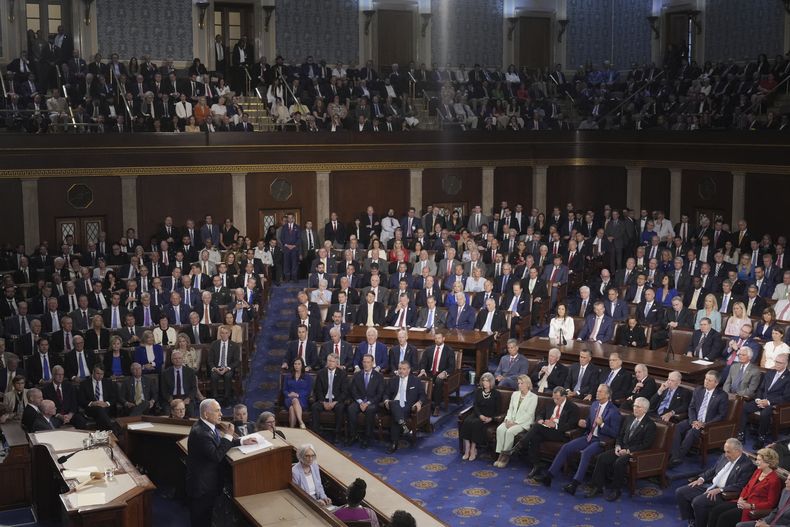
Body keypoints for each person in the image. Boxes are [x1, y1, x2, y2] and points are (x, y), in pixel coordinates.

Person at [537, 384, 622, 495]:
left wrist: (602, 425)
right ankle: (549, 476)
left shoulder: (614, 411)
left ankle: (575, 484)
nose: (597, 393)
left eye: (600, 391)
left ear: (607, 395)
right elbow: (590, 422)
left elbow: (614, 433)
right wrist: (584, 423)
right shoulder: (595, 404)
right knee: (566, 447)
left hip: (601, 441)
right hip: (588, 436)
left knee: (586, 453)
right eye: (597, 390)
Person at [186, 399, 255, 527]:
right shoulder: (201, 433)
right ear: (206, 414)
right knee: (201, 519)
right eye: (217, 411)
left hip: (208, 483)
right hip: (202, 486)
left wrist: (240, 442)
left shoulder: (206, 426)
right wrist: (229, 435)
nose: (221, 414)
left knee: (207, 517)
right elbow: (216, 455)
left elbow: (218, 445)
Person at [586, 397, 656, 501]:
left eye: (638, 407)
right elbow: (620, 435)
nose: (635, 408)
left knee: (619, 462)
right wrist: (617, 446)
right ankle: (598, 486)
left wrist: (628, 451)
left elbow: (646, 445)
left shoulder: (650, 425)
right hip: (621, 448)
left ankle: (616, 490)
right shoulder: (629, 418)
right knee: (601, 458)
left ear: (645, 409)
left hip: (634, 453)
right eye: (634, 406)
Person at [676, 438, 754, 527]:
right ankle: (692, 521)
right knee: (681, 492)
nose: (725, 454)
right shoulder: (724, 457)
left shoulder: (747, 465)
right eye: (725, 451)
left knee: (698, 502)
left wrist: (720, 490)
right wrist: (701, 479)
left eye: (728, 452)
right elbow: (713, 470)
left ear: (737, 451)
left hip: (724, 493)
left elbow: (740, 485)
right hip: (710, 485)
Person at [706, 448, 781, 527]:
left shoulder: (774, 481)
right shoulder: (758, 471)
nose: (756, 462)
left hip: (752, 509)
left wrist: (751, 506)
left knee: (724, 518)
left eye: (759, 460)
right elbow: (747, 486)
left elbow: (771, 503)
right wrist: (741, 498)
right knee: (716, 510)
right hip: (743, 502)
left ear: (768, 463)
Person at [670, 370, 729, 466]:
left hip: (708, 424)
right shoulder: (698, 390)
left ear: (716, 383)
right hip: (694, 420)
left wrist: (704, 424)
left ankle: (677, 457)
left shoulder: (722, 396)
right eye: (706, 379)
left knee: (691, 432)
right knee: (676, 427)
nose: (706, 382)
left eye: (710, 380)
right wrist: (693, 421)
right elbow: (691, 407)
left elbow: (721, 415)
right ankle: (675, 456)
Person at [522, 386, 580, 480]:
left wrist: (555, 425)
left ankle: (521, 444)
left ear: (564, 396)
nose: (555, 400)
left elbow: (571, 425)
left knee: (536, 428)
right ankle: (537, 465)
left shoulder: (572, 407)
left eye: (557, 398)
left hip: (560, 433)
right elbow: (541, 414)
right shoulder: (550, 403)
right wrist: (540, 419)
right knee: (535, 436)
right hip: (546, 429)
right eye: (554, 398)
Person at [740, 353, 790, 448]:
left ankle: (761, 438)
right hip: (762, 399)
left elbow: (786, 397)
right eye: (776, 361)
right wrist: (758, 399)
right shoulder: (770, 372)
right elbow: (761, 389)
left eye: (779, 363)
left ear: (785, 364)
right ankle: (741, 434)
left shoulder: (788, 377)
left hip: (775, 404)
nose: (777, 364)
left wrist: (768, 402)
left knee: (765, 413)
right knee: (744, 407)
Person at [493, 375, 537, 468]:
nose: (519, 385)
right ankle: (500, 454)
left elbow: (529, 414)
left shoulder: (533, 397)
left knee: (509, 432)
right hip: (511, 420)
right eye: (519, 383)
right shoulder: (515, 394)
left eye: (522, 383)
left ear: (528, 384)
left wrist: (515, 422)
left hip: (523, 423)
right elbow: (510, 409)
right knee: (500, 429)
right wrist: (508, 420)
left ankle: (505, 457)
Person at [383, 360, 425, 453]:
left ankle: (394, 443)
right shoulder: (393, 380)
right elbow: (385, 394)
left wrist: (419, 403)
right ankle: (403, 426)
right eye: (400, 369)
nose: (401, 371)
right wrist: (386, 400)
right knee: (394, 404)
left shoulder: (415, 380)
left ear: (409, 370)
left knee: (395, 414)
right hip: (392, 403)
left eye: (404, 369)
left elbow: (422, 395)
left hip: (407, 405)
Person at [459, 372, 498, 462]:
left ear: (491, 382)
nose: (485, 383)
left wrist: (491, 418)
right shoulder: (478, 391)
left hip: (488, 416)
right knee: (467, 422)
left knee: (476, 424)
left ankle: (473, 449)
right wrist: (479, 415)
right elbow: (475, 406)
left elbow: (497, 410)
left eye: (487, 381)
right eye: (483, 381)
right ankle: (467, 448)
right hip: (478, 414)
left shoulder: (496, 394)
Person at [310, 353, 347, 441]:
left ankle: (337, 434)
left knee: (340, 408)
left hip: (336, 401)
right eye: (329, 361)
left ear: (337, 363)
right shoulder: (321, 373)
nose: (330, 363)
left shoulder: (342, 374)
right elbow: (317, 390)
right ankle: (316, 432)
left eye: (333, 361)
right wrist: (323, 402)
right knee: (315, 407)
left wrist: (335, 402)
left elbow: (344, 392)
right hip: (324, 400)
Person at [417, 332, 456, 417]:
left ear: (443, 339)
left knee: (438, 380)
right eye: (435, 338)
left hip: (441, 373)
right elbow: (423, 362)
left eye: (439, 338)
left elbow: (452, 366)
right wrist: (423, 370)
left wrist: (445, 373)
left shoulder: (449, 351)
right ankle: (421, 403)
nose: (437, 340)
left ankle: (436, 406)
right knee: (420, 379)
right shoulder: (429, 349)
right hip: (429, 372)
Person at [77, 364, 116, 431]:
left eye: (102, 374)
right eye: (98, 373)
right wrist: (93, 403)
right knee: (99, 409)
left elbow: (113, 398)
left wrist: (106, 404)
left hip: (106, 408)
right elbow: (81, 400)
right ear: (93, 372)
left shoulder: (108, 382)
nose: (100, 376)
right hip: (91, 409)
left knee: (101, 414)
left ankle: (103, 435)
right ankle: (112, 430)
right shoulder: (84, 384)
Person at [283, 357, 312, 429]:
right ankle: (301, 423)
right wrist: (289, 394)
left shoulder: (307, 377)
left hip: (302, 399)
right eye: (295, 364)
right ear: (293, 365)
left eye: (299, 364)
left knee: (292, 408)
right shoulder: (288, 376)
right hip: (289, 399)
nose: (297, 366)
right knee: (294, 400)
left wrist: (298, 395)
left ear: (302, 365)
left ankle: (292, 429)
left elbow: (308, 391)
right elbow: (284, 390)